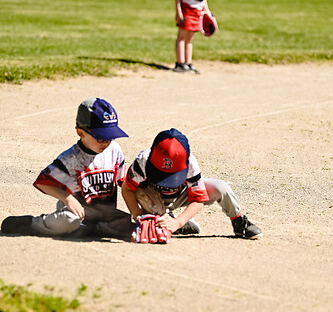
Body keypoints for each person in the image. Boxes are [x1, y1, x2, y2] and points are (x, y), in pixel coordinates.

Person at [1, 98, 135, 240]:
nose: (107, 142)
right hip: (77, 214)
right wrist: (68, 199)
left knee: (128, 225)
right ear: (81, 132)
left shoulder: (114, 150)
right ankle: (32, 224)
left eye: (111, 136)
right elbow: (42, 182)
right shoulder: (71, 157)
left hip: (105, 215)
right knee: (68, 221)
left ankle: (90, 230)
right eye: (101, 137)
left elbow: (125, 182)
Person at [122, 128, 262, 241]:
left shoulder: (190, 163)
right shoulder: (143, 161)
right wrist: (138, 215)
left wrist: (178, 222)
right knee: (140, 191)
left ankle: (238, 221)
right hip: (153, 197)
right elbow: (127, 189)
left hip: (181, 195)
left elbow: (199, 199)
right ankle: (163, 218)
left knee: (221, 187)